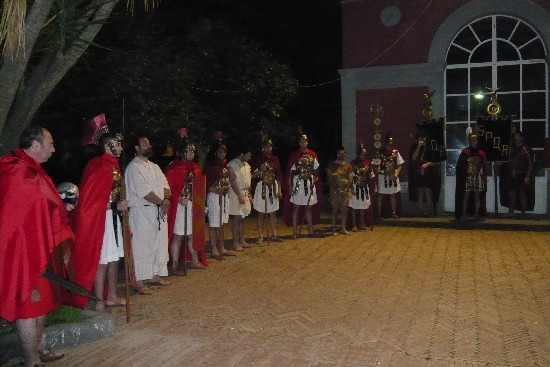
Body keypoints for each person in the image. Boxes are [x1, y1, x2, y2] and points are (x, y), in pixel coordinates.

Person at [0, 126, 73, 366]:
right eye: (49, 144)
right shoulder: (15, 172)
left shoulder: (34, 172)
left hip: (42, 249)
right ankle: (31, 361)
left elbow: (44, 210)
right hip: (23, 254)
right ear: (34, 146)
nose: (53, 149)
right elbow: (14, 222)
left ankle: (37, 349)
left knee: (41, 304)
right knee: (29, 306)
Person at [69, 132, 128, 312]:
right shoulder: (98, 166)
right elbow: (91, 200)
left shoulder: (114, 167)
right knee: (103, 260)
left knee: (115, 258)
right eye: (117, 145)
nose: (120, 148)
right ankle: (99, 299)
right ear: (107, 146)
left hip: (114, 218)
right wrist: (115, 204)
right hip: (102, 220)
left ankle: (112, 296)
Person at [125, 136, 171, 295]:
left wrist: (165, 200)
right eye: (145, 144)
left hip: (157, 212)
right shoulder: (133, 167)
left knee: (157, 244)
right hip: (142, 213)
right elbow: (144, 192)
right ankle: (138, 281)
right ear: (137, 148)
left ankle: (153, 275)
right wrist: (161, 202)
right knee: (141, 247)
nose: (149, 145)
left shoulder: (155, 166)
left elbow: (166, 185)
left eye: (149, 143)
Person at [165, 130, 207, 273]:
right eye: (189, 151)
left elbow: (200, 187)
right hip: (179, 207)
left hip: (192, 206)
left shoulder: (195, 168)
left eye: (193, 151)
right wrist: (178, 198)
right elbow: (168, 189)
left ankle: (194, 260)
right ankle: (175, 264)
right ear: (182, 152)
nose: (191, 154)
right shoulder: (175, 167)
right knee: (178, 236)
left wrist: (200, 202)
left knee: (192, 234)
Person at [284, 133, 321, 238]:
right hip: (298, 183)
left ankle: (310, 230)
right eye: (301, 141)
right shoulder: (294, 155)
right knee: (296, 207)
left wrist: (316, 177)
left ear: (307, 142)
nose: (303, 143)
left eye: (305, 141)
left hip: (309, 183)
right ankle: (294, 231)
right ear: (299, 142)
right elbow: (290, 172)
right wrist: (290, 186)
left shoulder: (313, 154)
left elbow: (316, 169)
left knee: (308, 207)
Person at [203, 134, 234, 260]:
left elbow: (230, 180)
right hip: (215, 197)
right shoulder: (211, 166)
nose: (223, 154)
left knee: (221, 224)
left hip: (224, 197)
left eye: (224, 151)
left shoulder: (225, 166)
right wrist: (215, 191)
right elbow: (206, 183)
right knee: (214, 224)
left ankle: (222, 247)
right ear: (215, 152)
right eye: (220, 151)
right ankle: (214, 250)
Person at [251, 137, 284, 243]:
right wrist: (260, 170)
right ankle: (260, 235)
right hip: (262, 186)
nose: (268, 148)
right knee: (261, 213)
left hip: (273, 186)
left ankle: (273, 234)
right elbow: (252, 176)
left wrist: (279, 189)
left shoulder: (275, 159)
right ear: (262, 148)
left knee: (273, 212)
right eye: (266, 146)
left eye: (270, 146)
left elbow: (278, 175)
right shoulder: (258, 159)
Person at [500, 131, 534, 217]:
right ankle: (511, 212)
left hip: (522, 175)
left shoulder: (526, 149)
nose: (516, 138)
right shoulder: (511, 149)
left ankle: (523, 212)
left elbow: (530, 163)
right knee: (512, 194)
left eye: (518, 136)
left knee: (522, 194)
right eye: (515, 136)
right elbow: (506, 160)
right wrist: (499, 162)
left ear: (522, 138)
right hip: (512, 175)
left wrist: (527, 176)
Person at [455, 132, 487, 221]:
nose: (474, 142)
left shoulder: (481, 153)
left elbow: (484, 166)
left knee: (477, 196)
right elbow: (460, 166)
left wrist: (483, 177)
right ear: (469, 141)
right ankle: (464, 214)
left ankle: (477, 214)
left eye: (475, 140)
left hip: (477, 176)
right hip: (467, 176)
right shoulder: (465, 152)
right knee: (466, 196)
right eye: (472, 140)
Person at [227, 145, 254, 251]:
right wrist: (239, 195)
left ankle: (242, 240)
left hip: (245, 192)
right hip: (236, 194)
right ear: (242, 154)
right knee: (237, 219)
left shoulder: (247, 165)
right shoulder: (232, 164)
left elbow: (248, 182)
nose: (249, 157)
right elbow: (233, 181)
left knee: (243, 219)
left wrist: (249, 195)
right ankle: (235, 242)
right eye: (247, 155)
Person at [409, 131, 441, 217]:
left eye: (423, 138)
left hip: (428, 172)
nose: (421, 139)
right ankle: (421, 211)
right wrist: (419, 147)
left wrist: (426, 165)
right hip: (418, 172)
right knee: (420, 191)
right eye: (420, 138)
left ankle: (429, 211)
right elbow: (413, 157)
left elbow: (435, 160)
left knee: (428, 191)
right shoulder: (415, 147)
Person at [375, 135, 404, 219]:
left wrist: (396, 173)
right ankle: (379, 213)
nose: (390, 144)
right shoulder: (380, 152)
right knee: (380, 194)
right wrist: (381, 171)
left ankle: (393, 212)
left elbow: (400, 164)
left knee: (392, 194)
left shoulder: (395, 152)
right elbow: (375, 165)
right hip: (382, 175)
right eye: (389, 142)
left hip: (392, 176)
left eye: (391, 142)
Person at [326, 147, 353, 235]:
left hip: (345, 191)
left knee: (344, 210)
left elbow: (350, 179)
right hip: (335, 191)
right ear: (337, 154)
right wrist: (338, 189)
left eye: (343, 153)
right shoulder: (331, 165)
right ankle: (333, 228)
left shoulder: (348, 166)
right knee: (334, 209)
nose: (341, 155)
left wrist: (346, 189)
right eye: (339, 153)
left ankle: (343, 228)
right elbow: (330, 179)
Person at [348, 144, 375, 231]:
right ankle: (353, 225)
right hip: (355, 186)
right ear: (358, 154)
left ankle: (362, 224)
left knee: (363, 205)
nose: (363, 156)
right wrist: (351, 188)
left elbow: (371, 175)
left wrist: (373, 175)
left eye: (365, 154)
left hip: (364, 187)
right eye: (362, 154)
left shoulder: (368, 163)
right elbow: (350, 176)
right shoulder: (353, 163)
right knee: (354, 205)